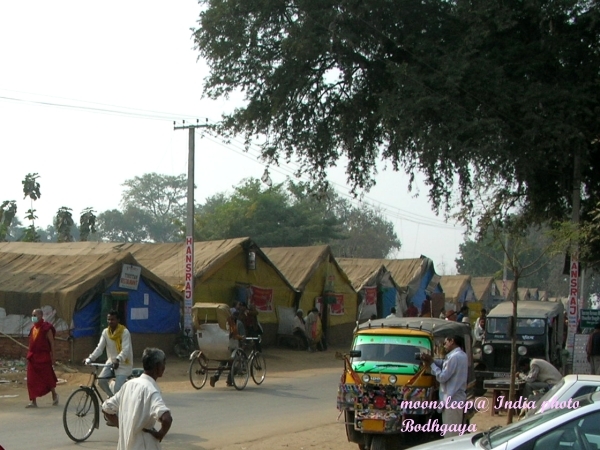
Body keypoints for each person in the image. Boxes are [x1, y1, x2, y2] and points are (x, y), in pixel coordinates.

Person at [102, 347, 173, 450]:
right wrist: (160, 434)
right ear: (157, 367)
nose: (164, 367)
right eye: (163, 363)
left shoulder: (128, 385)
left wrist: (123, 426)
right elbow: (167, 419)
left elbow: (106, 408)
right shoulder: (151, 390)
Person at [420, 335, 468, 438]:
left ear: (452, 341)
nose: (444, 345)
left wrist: (432, 364)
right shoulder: (461, 355)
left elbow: (442, 377)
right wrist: (432, 360)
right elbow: (445, 364)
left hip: (452, 400)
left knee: (450, 437)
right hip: (455, 399)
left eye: (445, 342)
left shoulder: (455, 357)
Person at [85, 310, 133, 398]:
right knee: (100, 381)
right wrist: (91, 358)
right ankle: (112, 398)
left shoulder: (124, 332)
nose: (110, 322)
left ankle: (118, 405)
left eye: (113, 319)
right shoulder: (105, 332)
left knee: (117, 388)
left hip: (123, 364)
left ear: (118, 320)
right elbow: (100, 348)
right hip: (111, 362)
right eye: (108, 319)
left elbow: (126, 350)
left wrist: (118, 359)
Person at [26, 308, 59, 408]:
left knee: (47, 378)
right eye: (32, 315)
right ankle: (33, 401)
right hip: (33, 357)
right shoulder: (33, 328)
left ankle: (54, 395)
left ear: (41, 316)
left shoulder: (46, 328)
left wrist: (53, 356)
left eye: (35, 315)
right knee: (31, 380)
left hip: (43, 357)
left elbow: (52, 343)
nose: (33, 317)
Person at [210, 309, 246, 387]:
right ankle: (229, 380)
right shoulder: (237, 324)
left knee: (222, 363)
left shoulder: (223, 324)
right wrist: (242, 340)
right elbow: (240, 336)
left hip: (223, 346)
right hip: (233, 347)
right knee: (237, 364)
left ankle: (215, 377)